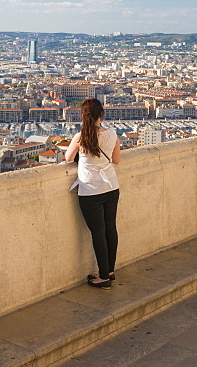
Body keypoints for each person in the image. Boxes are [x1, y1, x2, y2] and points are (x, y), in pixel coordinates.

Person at [64, 98, 121, 290]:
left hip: (90, 190)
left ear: (83, 116)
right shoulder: (112, 134)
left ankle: (103, 276)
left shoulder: (80, 137)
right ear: (101, 115)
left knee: (98, 233)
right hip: (111, 187)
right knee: (110, 229)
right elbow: (116, 160)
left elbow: (68, 157)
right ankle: (110, 271)